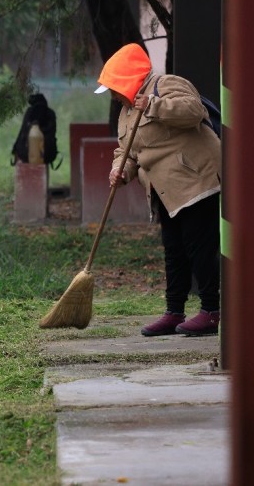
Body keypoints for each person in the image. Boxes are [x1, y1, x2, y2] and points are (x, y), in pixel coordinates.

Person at [95, 43, 221, 337]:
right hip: (164, 192)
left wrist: (153, 105)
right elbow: (126, 151)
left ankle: (211, 311)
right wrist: (120, 171)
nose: (113, 95)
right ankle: (174, 311)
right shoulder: (125, 112)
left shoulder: (166, 85)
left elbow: (193, 110)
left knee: (199, 247)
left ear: (126, 79)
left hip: (195, 180)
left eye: (114, 87)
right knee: (174, 251)